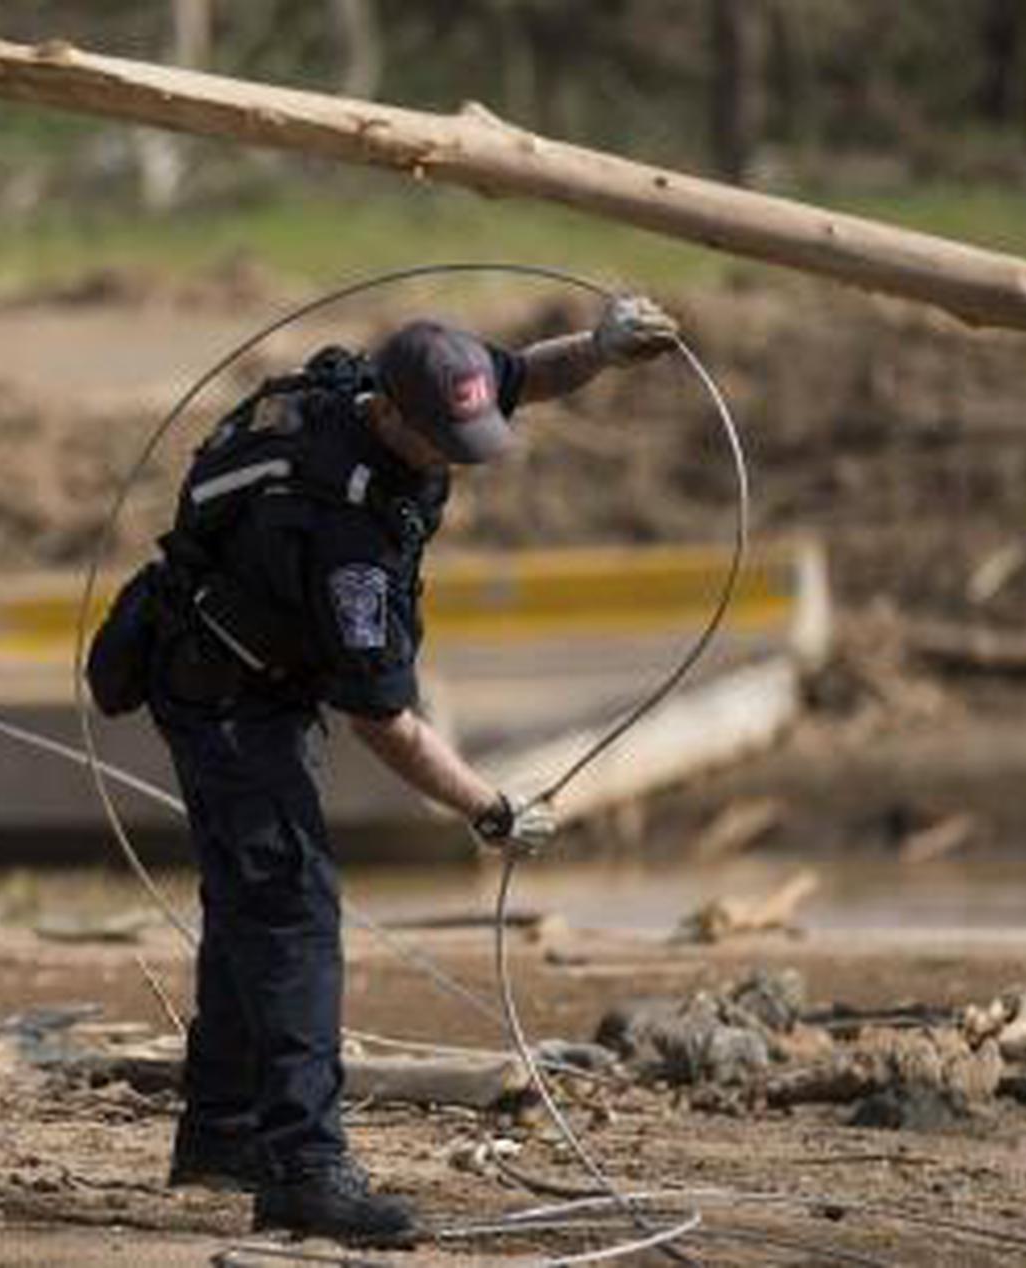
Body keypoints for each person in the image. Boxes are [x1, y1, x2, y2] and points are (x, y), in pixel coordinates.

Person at [131, 296, 680, 1245]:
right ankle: (305, 1166)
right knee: (294, 911)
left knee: (249, 902)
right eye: (446, 442)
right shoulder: (346, 535)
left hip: (242, 659)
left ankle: (221, 1133)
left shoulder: (405, 386)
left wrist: (600, 347)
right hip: (224, 698)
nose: (463, 456)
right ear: (389, 415)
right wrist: (493, 807)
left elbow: (525, 375)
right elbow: (383, 720)